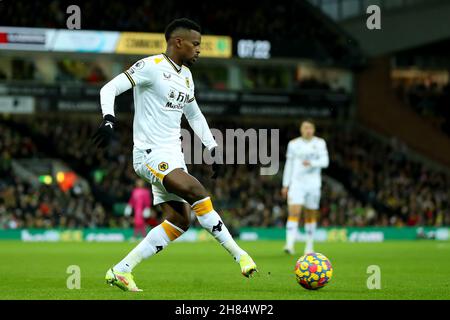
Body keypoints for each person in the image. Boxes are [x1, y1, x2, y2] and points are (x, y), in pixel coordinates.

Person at [93, 18, 257, 292]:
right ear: (177, 42)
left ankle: (121, 270)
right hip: (149, 154)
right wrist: (109, 119)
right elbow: (108, 88)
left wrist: (212, 147)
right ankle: (240, 255)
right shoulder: (150, 67)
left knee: (180, 222)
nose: (198, 50)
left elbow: (193, 114)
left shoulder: (186, 76)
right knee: (197, 190)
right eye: (195, 44)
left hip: (173, 157)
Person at [281, 120, 329, 255]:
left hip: (313, 184)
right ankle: (289, 244)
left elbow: (325, 162)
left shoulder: (320, 143)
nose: (308, 130)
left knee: (310, 214)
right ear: (301, 130)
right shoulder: (293, 144)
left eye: (310, 128)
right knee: (294, 212)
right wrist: (285, 184)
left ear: (313, 130)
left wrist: (312, 163)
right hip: (297, 184)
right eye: (305, 128)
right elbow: (289, 165)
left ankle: (309, 246)